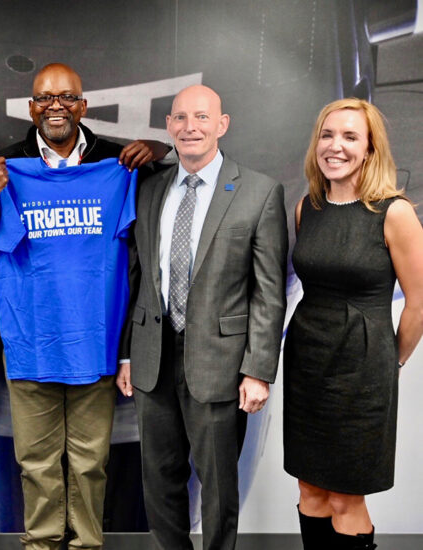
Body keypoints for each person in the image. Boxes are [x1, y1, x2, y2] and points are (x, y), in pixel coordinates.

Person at [0, 62, 171, 549]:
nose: (55, 106)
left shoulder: (117, 166)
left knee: (89, 462)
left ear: (83, 106)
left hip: (94, 342)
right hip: (31, 342)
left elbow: (171, 184)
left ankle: (86, 546)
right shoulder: (8, 169)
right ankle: (41, 546)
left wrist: (158, 148)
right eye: (45, 98)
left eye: (65, 97)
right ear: (31, 107)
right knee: (36, 462)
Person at [116, 84, 288, 550]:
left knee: (217, 484)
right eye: (180, 118)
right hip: (153, 359)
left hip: (221, 364)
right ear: (168, 126)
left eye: (202, 117)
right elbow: (137, 278)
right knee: (159, 479)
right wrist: (128, 353)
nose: (190, 127)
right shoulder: (148, 190)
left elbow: (269, 292)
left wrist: (258, 370)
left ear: (222, 125)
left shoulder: (258, 191)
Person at [283, 98, 423, 550]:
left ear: (369, 149)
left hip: (362, 372)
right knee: (309, 488)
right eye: (327, 135)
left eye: (349, 136)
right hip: (307, 364)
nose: (335, 146)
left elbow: (419, 303)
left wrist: (390, 360)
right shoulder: (307, 208)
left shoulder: (394, 212)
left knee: (346, 497)